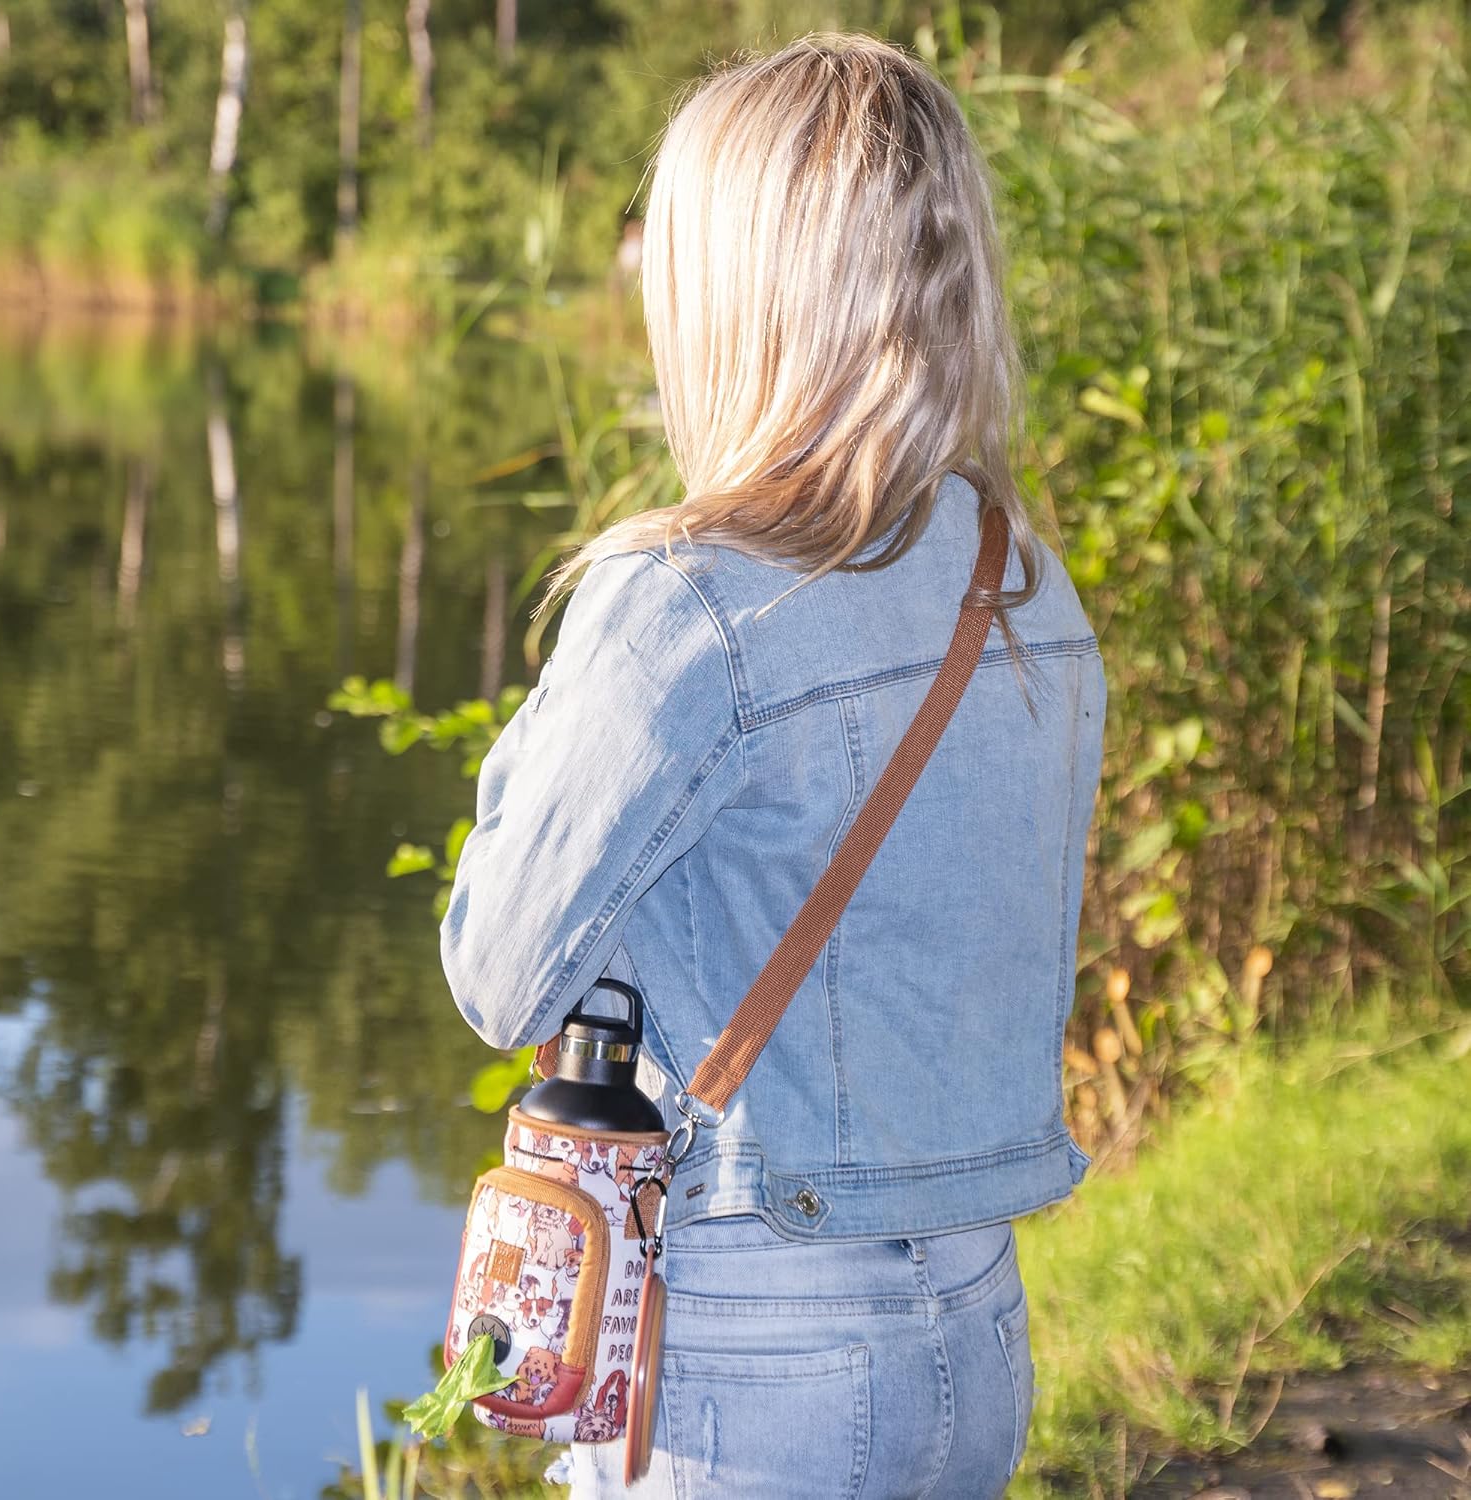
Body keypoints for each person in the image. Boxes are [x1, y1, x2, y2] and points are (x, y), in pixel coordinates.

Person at [440, 32, 1105, 1499]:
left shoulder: (686, 603)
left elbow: (498, 973)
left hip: (745, 1363)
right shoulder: (1027, 586)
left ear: (736, 295)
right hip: (976, 1336)